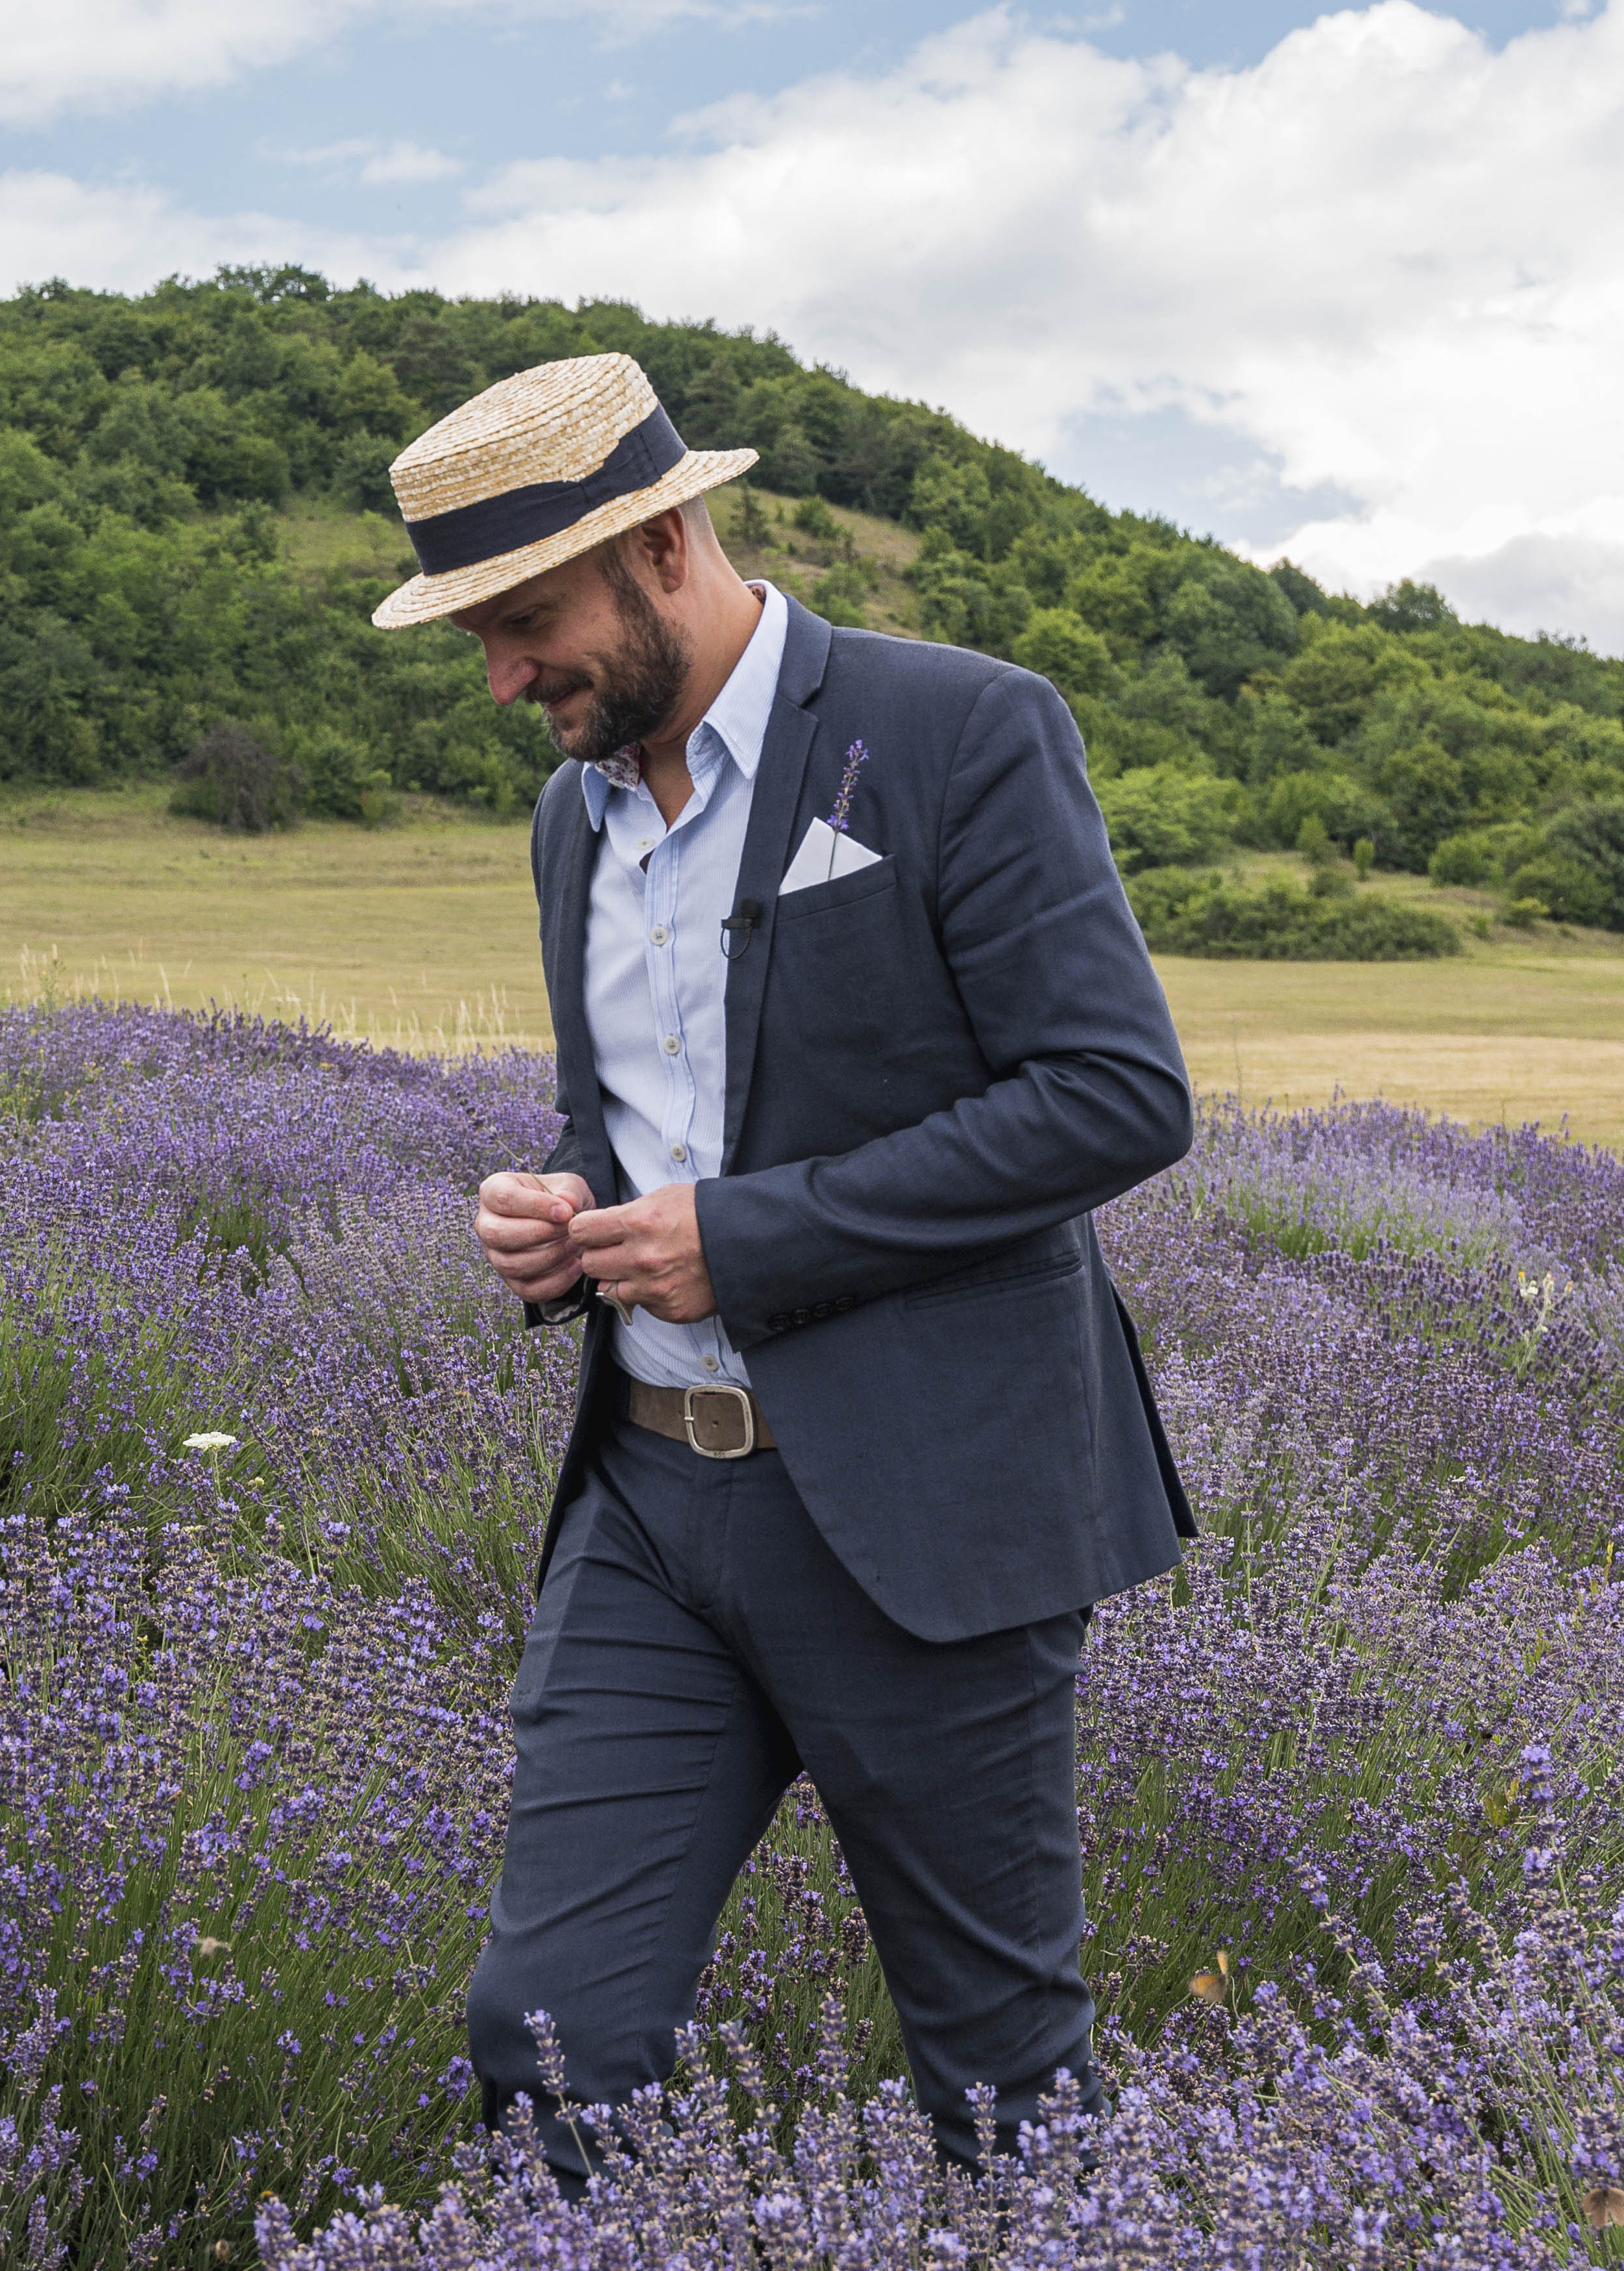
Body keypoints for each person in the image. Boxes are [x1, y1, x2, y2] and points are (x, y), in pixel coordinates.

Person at [370, 353, 1194, 2181]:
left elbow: (1114, 1098)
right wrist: (559, 1207)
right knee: (545, 2029)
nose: (503, 679)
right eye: (479, 640)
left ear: (658, 545)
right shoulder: (567, 810)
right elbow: (626, 1118)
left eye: (522, 623)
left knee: (998, 2083)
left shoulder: (957, 728)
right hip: (653, 1507)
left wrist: (739, 1236)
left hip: (925, 1510)